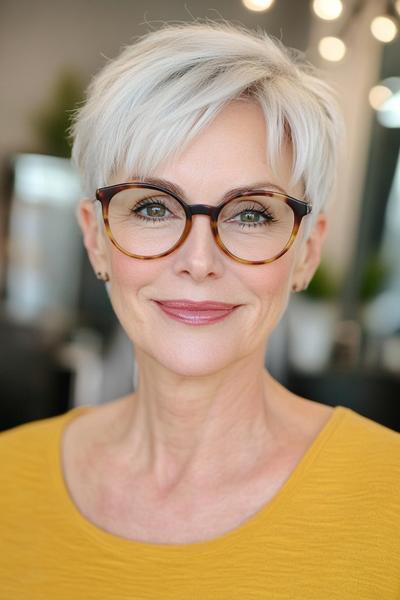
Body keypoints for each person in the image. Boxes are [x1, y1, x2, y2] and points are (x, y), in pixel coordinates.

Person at [1, 20, 399, 600]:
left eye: (252, 214)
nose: (199, 260)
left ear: (306, 251)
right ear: (95, 238)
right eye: (155, 207)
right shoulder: (9, 478)